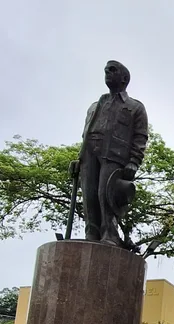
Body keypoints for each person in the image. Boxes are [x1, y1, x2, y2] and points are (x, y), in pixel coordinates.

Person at [70, 61, 149, 246]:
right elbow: (86, 134)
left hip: (114, 154)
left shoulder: (135, 107)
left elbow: (140, 137)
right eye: (106, 70)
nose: (107, 72)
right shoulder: (95, 106)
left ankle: (110, 235)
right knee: (88, 195)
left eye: (113, 70)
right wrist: (79, 159)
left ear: (124, 78)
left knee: (105, 195)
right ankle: (92, 232)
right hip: (89, 154)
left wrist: (134, 162)